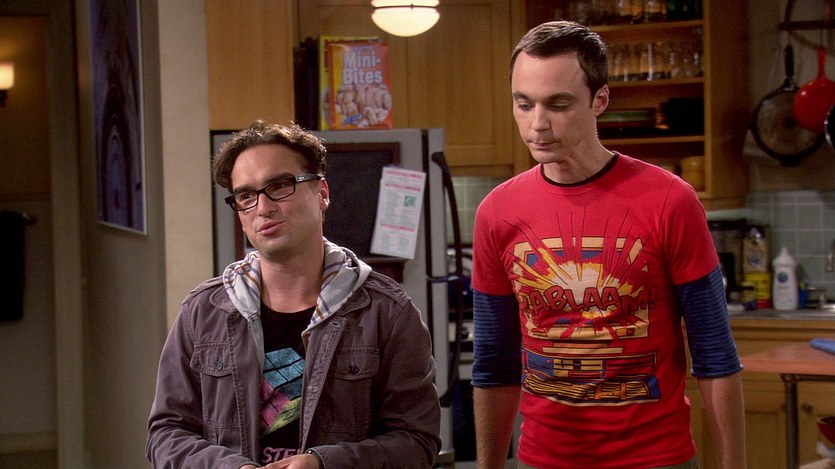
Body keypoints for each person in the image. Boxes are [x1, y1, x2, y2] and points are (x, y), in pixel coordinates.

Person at [471, 21, 746, 469]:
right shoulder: (497, 212)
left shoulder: (670, 201)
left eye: (558, 104)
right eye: (524, 104)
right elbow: (494, 362)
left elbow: (715, 354)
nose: (537, 124)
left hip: (655, 459)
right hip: (543, 459)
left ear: (599, 100)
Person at [145, 121, 441, 469]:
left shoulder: (386, 312)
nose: (263, 207)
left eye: (280, 186)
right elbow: (167, 434)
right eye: (246, 196)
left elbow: (417, 442)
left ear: (322, 192)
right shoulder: (203, 313)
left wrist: (325, 465)